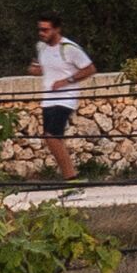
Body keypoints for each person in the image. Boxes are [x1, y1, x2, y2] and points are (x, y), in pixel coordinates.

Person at [34, 15, 93, 182]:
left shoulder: (69, 48)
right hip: (48, 99)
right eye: (40, 29)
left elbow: (89, 69)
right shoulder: (41, 48)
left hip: (65, 98)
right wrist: (35, 70)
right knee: (53, 139)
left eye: (45, 29)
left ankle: (71, 179)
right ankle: (71, 176)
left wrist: (67, 81)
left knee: (51, 136)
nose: (42, 33)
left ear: (56, 29)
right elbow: (46, 69)